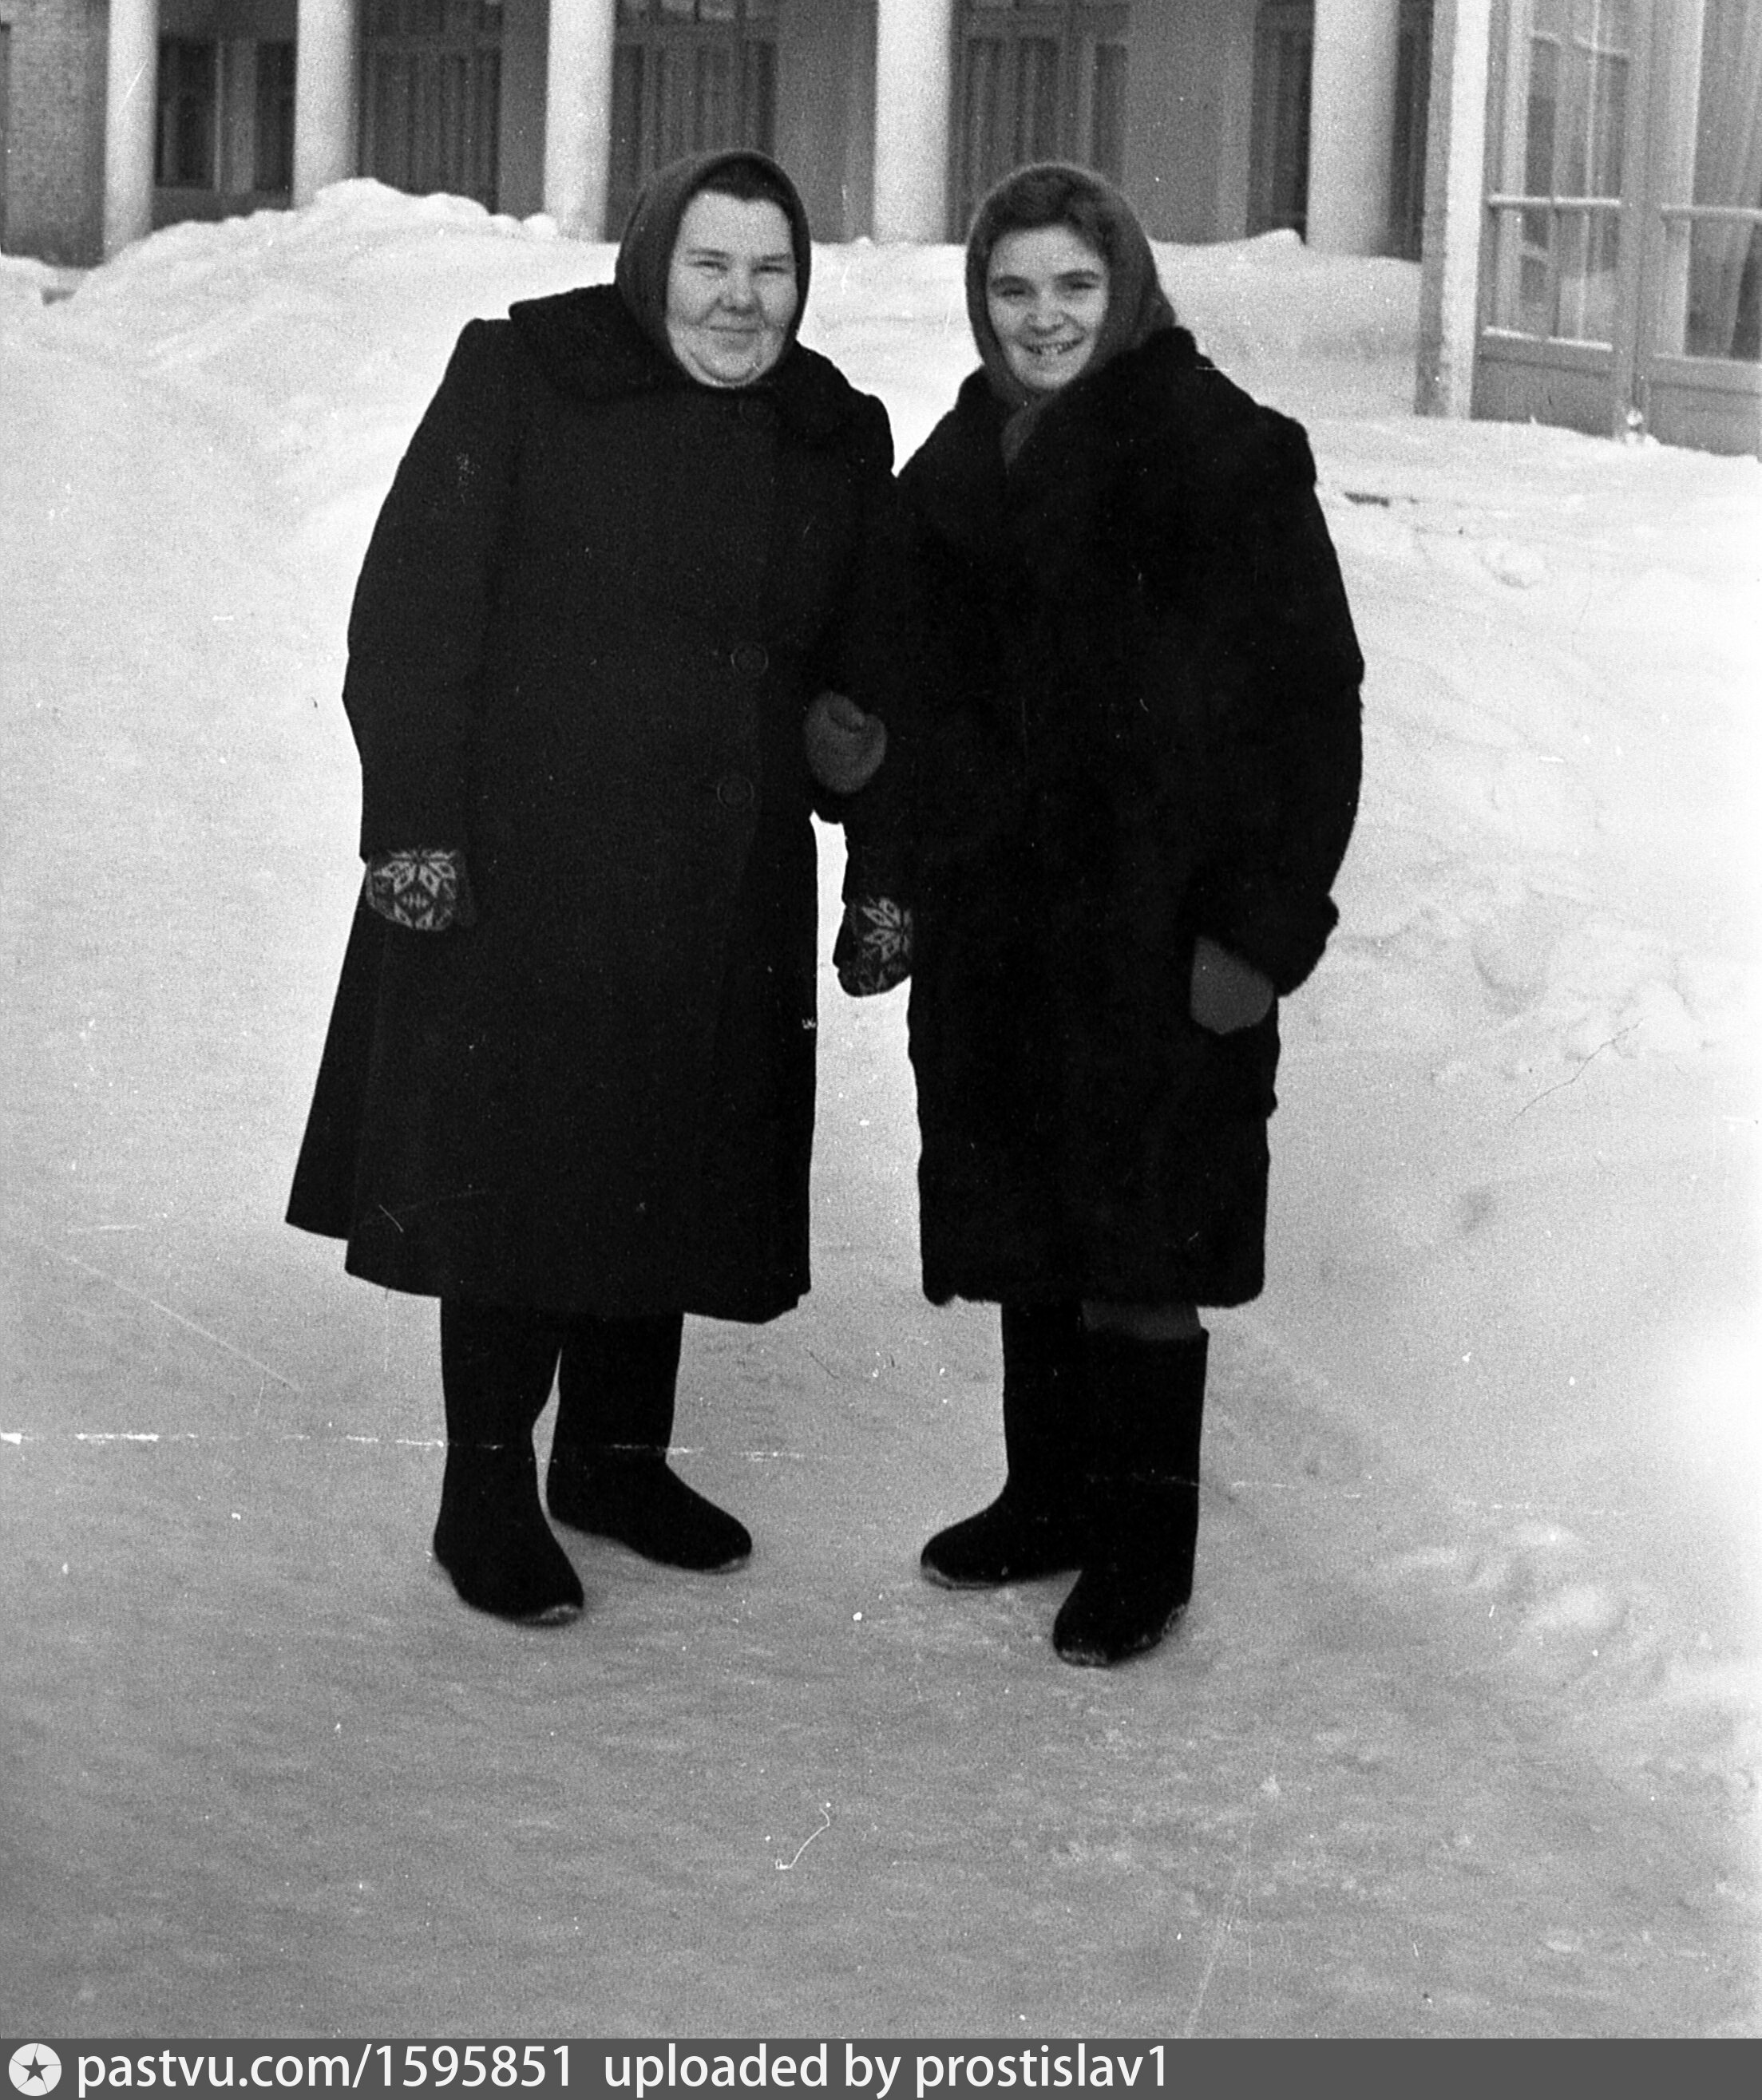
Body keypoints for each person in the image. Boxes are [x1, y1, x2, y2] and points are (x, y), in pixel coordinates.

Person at [289, 150, 893, 1628]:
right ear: (650, 263)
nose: (742, 301)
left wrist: (875, 822)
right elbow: (412, 610)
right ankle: (485, 1487)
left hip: (726, 866)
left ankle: (615, 1462)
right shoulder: (527, 375)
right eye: (710, 265)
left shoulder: (832, 429)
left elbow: (868, 666)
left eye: (772, 270)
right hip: (531, 863)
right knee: (523, 1170)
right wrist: (412, 826)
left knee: (672, 1155)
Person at [845, 163, 1363, 1669]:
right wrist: (883, 828)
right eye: (1012, 288)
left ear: (1126, 287)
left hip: (1164, 939)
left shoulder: (1222, 452)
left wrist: (1258, 934)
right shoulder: (959, 459)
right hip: (1004, 931)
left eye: (1075, 285)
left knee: (1144, 1251)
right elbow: (908, 682)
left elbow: (1313, 710)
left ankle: (1144, 1555)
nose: (1043, 317)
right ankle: (1048, 1498)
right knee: (1031, 1226)